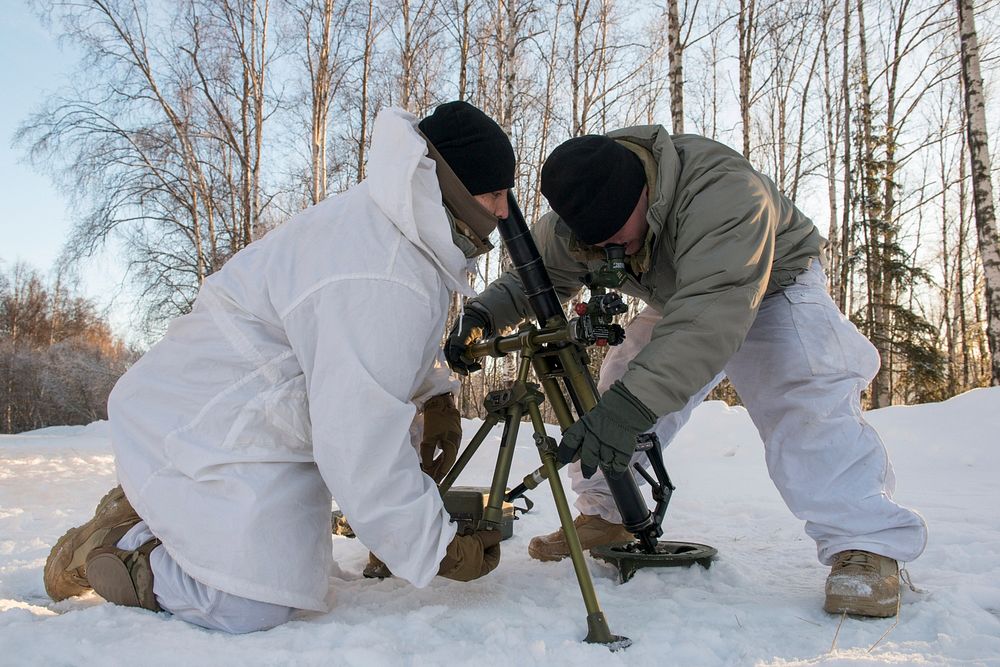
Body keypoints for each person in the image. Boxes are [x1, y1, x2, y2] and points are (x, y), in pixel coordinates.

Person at [44, 101, 515, 633]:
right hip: (206, 421)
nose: (502, 211)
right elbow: (356, 440)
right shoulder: (383, 269)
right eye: (494, 194)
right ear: (453, 185)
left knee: (291, 575)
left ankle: (156, 516)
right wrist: (439, 548)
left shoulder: (397, 233)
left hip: (260, 416)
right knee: (249, 606)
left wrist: (433, 395)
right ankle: (117, 549)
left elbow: (373, 350)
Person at [445, 129, 927, 618]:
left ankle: (867, 546)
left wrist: (633, 408)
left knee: (802, 400)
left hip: (771, 282)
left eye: (618, 234)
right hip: (680, 298)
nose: (611, 246)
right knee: (613, 390)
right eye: (597, 241)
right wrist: (481, 315)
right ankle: (607, 513)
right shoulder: (574, 221)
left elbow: (712, 311)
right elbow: (535, 279)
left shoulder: (724, 193)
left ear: (645, 193)